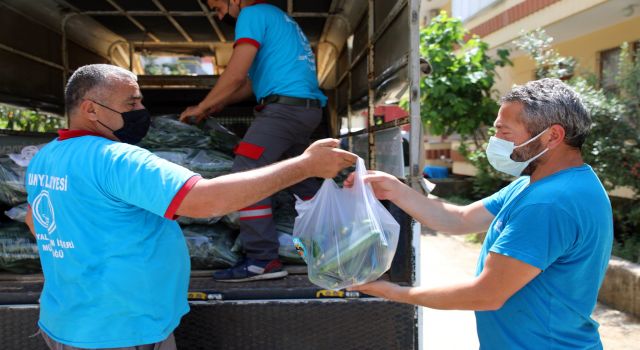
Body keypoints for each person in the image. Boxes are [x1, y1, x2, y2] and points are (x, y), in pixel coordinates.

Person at [24, 64, 356, 350]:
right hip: (121, 332)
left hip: (67, 322)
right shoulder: (117, 159)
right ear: (90, 109)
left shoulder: (46, 157)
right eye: (132, 102)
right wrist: (305, 166)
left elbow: (33, 220)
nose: (141, 110)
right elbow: (206, 200)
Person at [346, 78, 613, 349]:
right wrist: (393, 189)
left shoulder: (549, 203)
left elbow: (486, 294)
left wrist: (396, 293)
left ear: (552, 136)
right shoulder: (538, 185)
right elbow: (459, 219)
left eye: (505, 133)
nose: (496, 141)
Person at [179, 0, 328, 282]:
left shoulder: (251, 14)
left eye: (217, 6)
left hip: (283, 111)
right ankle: (334, 242)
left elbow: (235, 75)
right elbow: (248, 84)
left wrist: (200, 107)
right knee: (301, 175)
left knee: (247, 175)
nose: (218, 14)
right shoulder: (277, 18)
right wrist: (215, 104)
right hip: (304, 109)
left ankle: (262, 259)